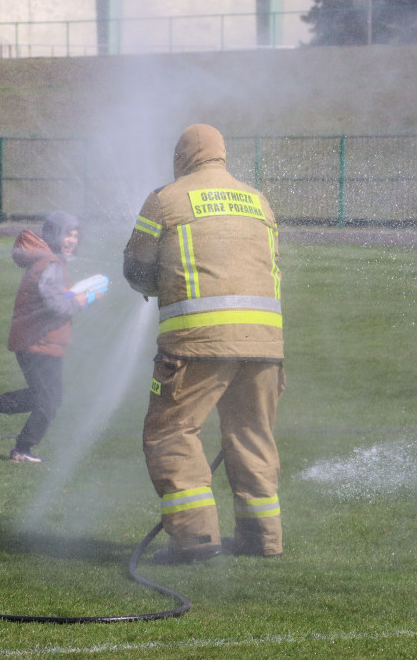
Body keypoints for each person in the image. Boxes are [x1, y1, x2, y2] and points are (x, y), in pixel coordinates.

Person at [123, 124, 285, 564]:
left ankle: (195, 542)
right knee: (251, 434)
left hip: (196, 342)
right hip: (265, 343)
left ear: (182, 157)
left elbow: (136, 269)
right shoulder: (258, 201)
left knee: (171, 433)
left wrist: (158, 284)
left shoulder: (166, 198)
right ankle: (261, 540)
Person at [0, 210, 95, 463]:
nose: (72, 240)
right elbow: (57, 306)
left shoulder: (45, 261)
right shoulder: (50, 264)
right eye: (67, 234)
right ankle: (22, 448)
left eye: (75, 235)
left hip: (36, 341)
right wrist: (83, 299)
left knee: (44, 395)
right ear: (53, 235)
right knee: (50, 400)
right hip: (40, 343)